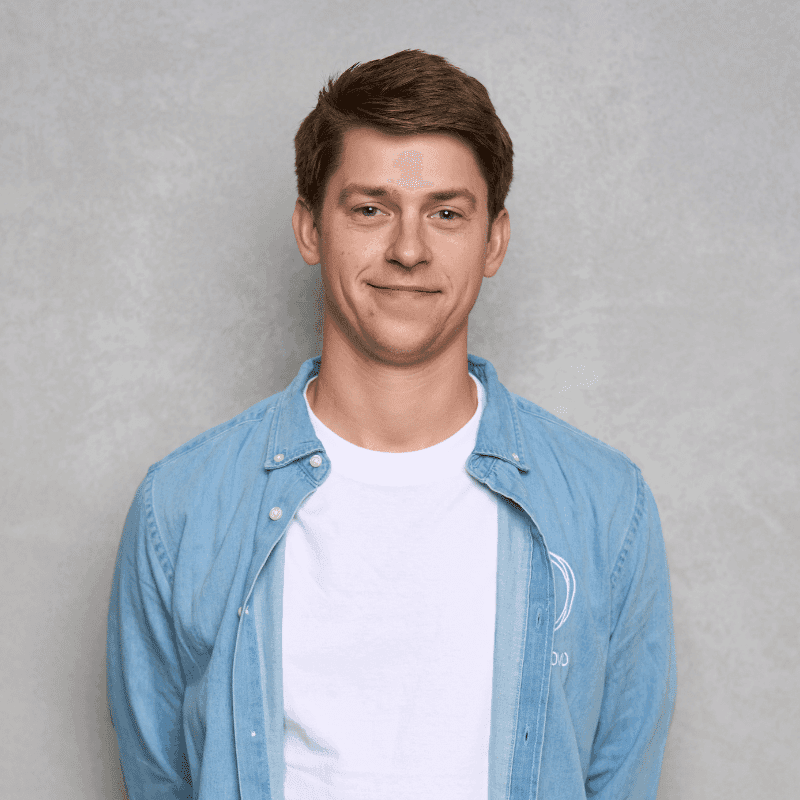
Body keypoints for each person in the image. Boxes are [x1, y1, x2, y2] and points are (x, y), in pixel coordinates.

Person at [107, 49, 677, 800]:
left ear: (494, 240)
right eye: (370, 209)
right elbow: (161, 777)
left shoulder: (606, 507)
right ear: (310, 230)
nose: (408, 249)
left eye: (446, 213)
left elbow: (619, 775)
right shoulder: (182, 508)